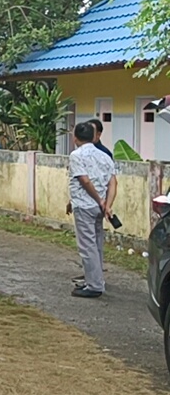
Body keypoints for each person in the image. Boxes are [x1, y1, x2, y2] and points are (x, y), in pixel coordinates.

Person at [67, 122, 117, 298]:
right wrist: (107, 205)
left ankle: (94, 285)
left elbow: (84, 180)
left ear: (75, 138)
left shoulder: (76, 155)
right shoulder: (104, 155)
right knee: (96, 245)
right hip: (99, 208)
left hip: (84, 205)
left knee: (87, 246)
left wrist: (98, 199)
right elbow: (112, 182)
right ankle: (95, 279)